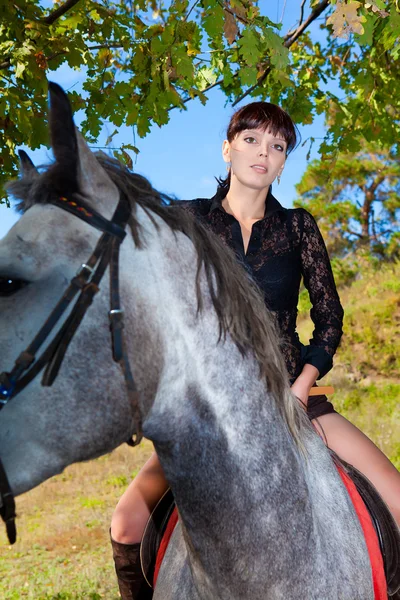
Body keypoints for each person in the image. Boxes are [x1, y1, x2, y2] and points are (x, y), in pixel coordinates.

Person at [110, 102, 400, 599]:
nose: (262, 152)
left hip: (295, 400)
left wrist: (302, 389)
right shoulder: (186, 221)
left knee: (397, 504)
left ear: (284, 162)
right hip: (206, 411)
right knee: (127, 523)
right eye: (250, 140)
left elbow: (329, 319)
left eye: (277, 145)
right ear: (227, 148)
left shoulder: (298, 228)